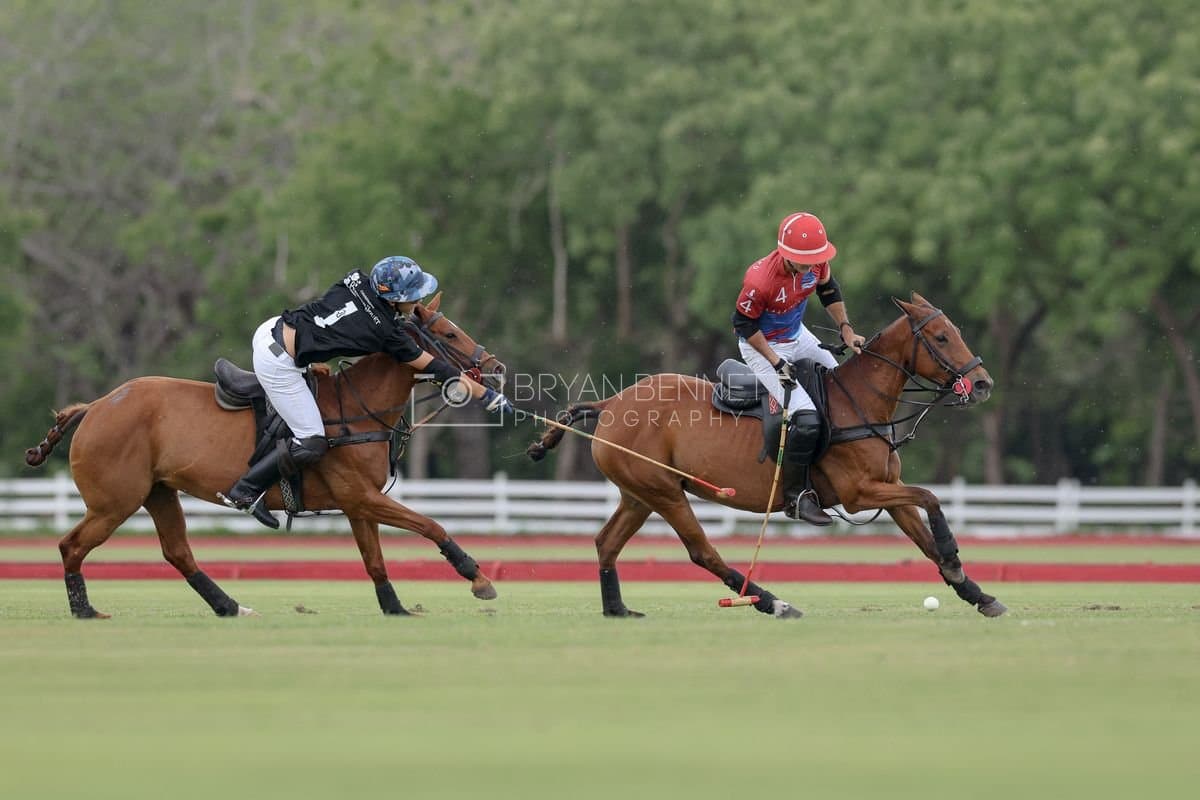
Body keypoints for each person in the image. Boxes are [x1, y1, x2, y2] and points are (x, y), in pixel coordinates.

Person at [220, 256, 514, 528]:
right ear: (395, 298)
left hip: (273, 329)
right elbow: (438, 368)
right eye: (413, 295)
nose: (418, 299)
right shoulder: (386, 333)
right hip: (279, 362)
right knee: (312, 439)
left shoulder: (357, 280)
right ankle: (245, 492)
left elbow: (338, 318)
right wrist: (487, 397)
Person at [730, 212, 866, 525]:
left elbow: (828, 290)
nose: (810, 266)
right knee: (805, 417)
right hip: (761, 345)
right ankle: (795, 496)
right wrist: (777, 362)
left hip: (797, 334)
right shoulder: (759, 280)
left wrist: (845, 328)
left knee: (841, 387)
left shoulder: (816, 264)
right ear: (786, 254)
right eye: (803, 261)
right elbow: (742, 324)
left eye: (814, 260)